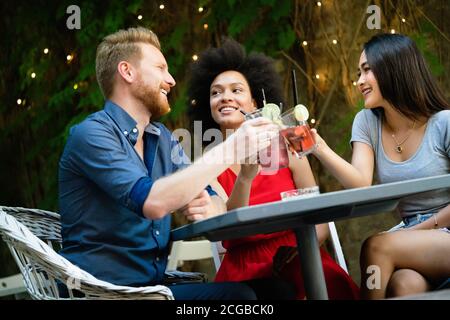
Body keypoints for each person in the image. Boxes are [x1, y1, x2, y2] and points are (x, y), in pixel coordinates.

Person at [58, 27, 297, 300]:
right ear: (127, 72)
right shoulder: (92, 135)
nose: (171, 80)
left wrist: (209, 204)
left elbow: (216, 202)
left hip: (153, 288)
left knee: (277, 291)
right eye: (160, 68)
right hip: (103, 293)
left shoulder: (163, 140)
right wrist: (232, 148)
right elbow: (153, 202)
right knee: (241, 299)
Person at [188, 38, 360, 300]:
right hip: (244, 269)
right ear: (208, 106)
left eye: (236, 90)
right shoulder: (209, 163)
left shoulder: (287, 144)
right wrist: (245, 178)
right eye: (216, 92)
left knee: (328, 282)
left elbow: (320, 221)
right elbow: (229, 226)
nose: (225, 97)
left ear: (255, 103)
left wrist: (300, 253)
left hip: (299, 254)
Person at [309, 33, 450, 299]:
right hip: (413, 239)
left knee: (376, 246)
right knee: (404, 286)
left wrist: (417, 230)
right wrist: (319, 147)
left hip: (439, 231)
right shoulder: (367, 122)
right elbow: (360, 183)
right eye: (358, 73)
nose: (359, 81)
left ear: (393, 69)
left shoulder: (444, 123)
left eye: (367, 70)